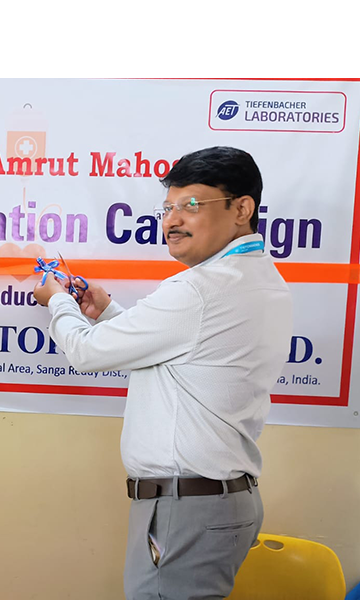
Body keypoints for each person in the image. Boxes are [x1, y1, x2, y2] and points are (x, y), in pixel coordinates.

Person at [33, 146, 293, 599]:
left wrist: (57, 301)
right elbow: (182, 360)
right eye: (167, 208)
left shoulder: (200, 289)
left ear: (241, 209)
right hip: (218, 502)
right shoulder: (259, 279)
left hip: (186, 509)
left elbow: (86, 352)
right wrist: (108, 312)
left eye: (191, 205)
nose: (172, 220)